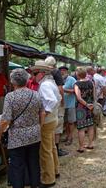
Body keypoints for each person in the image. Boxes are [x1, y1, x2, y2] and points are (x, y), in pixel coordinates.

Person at [0, 69, 42, 188]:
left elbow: (5, 119)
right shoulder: (36, 94)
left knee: (17, 165)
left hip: (17, 137)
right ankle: (35, 185)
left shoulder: (10, 97)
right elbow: (41, 113)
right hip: (34, 134)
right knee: (34, 162)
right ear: (27, 80)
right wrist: (39, 126)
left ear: (13, 82)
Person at [31, 60, 61, 188]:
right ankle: (55, 170)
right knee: (52, 147)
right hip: (53, 119)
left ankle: (48, 179)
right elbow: (58, 98)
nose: (33, 76)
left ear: (41, 73)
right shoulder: (50, 82)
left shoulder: (44, 85)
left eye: (34, 73)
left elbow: (52, 101)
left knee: (45, 151)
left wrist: (44, 114)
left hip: (48, 121)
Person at [44, 56, 68, 156]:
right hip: (55, 103)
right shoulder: (56, 72)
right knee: (57, 126)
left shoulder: (43, 72)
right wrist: (62, 101)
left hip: (45, 104)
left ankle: (50, 148)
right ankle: (56, 149)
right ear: (54, 64)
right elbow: (60, 89)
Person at [74, 67, 95, 153]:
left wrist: (86, 104)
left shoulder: (77, 84)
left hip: (81, 108)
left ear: (78, 74)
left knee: (81, 128)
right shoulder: (91, 82)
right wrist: (91, 104)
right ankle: (90, 144)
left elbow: (78, 98)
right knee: (90, 126)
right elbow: (94, 95)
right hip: (91, 106)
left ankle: (81, 147)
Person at [60, 66, 77, 146]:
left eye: (64, 70)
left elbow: (76, 90)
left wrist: (64, 90)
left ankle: (70, 137)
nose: (62, 72)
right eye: (61, 70)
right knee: (65, 122)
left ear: (67, 71)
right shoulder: (59, 80)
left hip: (70, 104)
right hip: (62, 105)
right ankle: (67, 136)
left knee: (71, 122)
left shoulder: (72, 79)